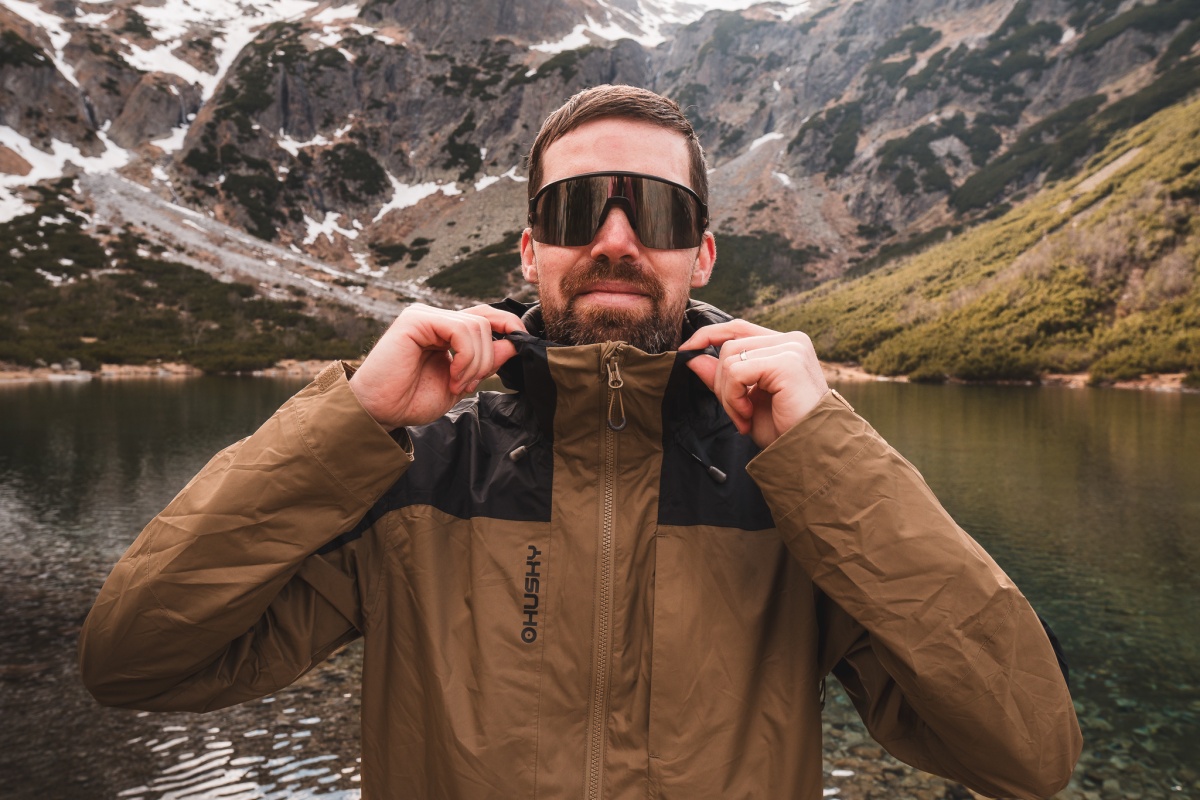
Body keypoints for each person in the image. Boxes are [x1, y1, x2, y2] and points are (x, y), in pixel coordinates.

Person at [80, 85, 1082, 799]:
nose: (614, 239)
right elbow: (133, 658)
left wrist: (828, 451)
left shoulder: (797, 489)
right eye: (574, 209)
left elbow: (1029, 750)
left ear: (700, 252)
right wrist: (352, 421)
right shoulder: (417, 476)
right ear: (531, 250)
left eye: (655, 211)